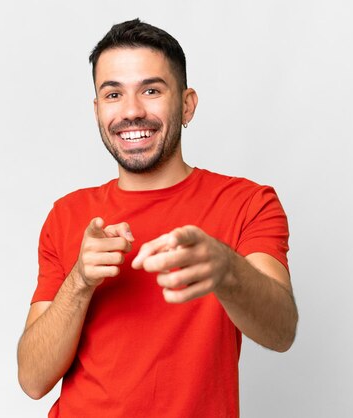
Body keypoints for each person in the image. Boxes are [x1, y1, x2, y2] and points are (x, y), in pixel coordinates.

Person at [17, 18, 298, 417]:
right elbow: (32, 379)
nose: (131, 111)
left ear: (186, 104)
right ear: (98, 110)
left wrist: (226, 269)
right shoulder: (67, 214)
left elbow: (282, 330)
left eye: (151, 90)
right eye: (113, 94)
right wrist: (79, 281)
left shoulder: (248, 203)